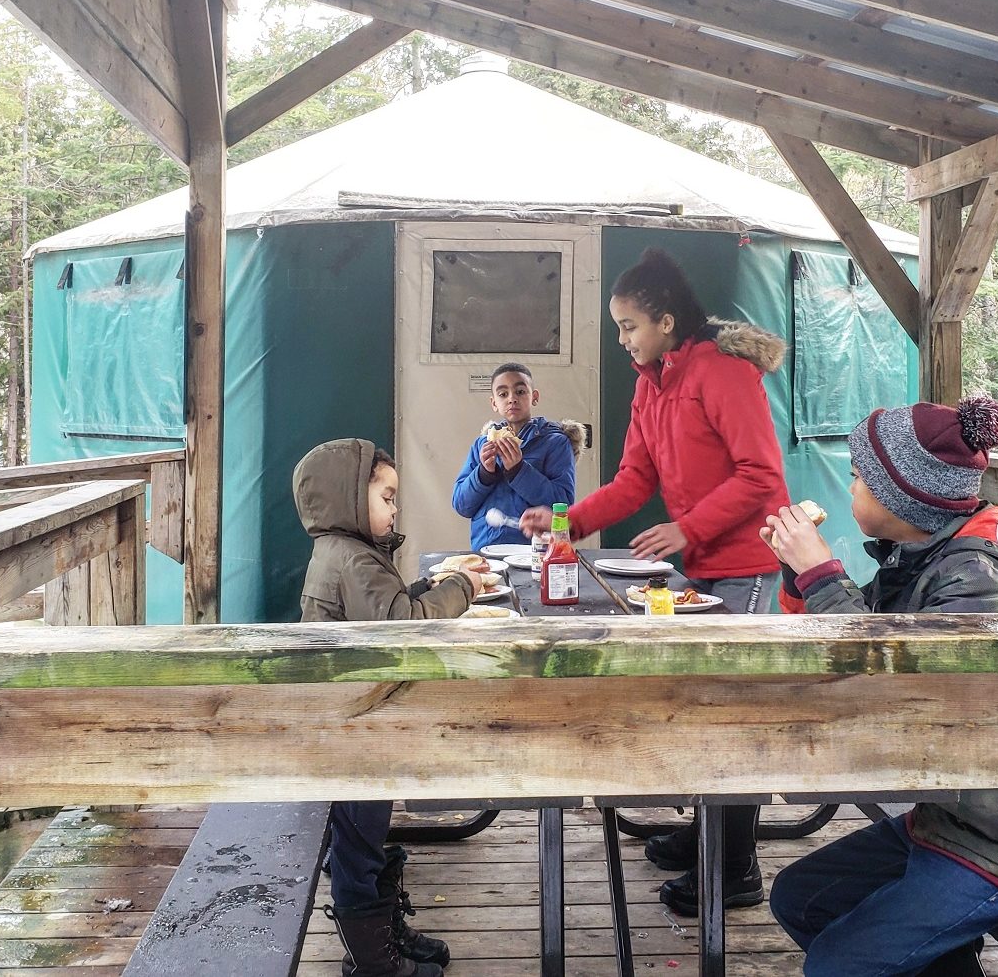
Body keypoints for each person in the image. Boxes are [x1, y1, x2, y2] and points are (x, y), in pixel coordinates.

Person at [763, 396, 998, 977]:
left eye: (857, 478)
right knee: (802, 896)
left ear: (903, 495)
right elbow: (855, 634)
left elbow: (891, 687)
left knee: (838, 964)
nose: (849, 489)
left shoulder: (977, 578)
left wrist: (822, 571)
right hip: (956, 814)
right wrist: (800, 575)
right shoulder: (927, 553)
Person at [522, 247, 792, 916]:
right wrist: (570, 523)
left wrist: (687, 530)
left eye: (629, 326)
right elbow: (635, 482)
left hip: (748, 566)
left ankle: (735, 869)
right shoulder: (653, 383)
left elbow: (762, 478)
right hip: (700, 566)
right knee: (707, 703)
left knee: (734, 715)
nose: (622, 341)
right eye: (618, 328)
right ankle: (706, 832)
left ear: (667, 321)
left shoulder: (724, 373)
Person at [293, 437, 482, 977]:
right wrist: (463, 587)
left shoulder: (344, 553)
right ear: (350, 498)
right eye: (387, 497)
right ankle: (376, 961)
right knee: (357, 841)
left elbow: (388, 607)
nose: (395, 508)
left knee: (367, 832)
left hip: (351, 721)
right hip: (351, 732)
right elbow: (411, 624)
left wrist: (435, 583)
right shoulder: (353, 558)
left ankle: (385, 934)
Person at [452, 362, 581, 552]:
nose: (512, 399)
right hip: (486, 549)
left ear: (534, 397)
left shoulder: (555, 443)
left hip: (535, 550)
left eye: (520, 392)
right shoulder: (482, 444)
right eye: (503, 394)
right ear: (494, 403)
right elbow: (461, 505)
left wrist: (518, 471)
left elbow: (562, 505)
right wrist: (483, 474)